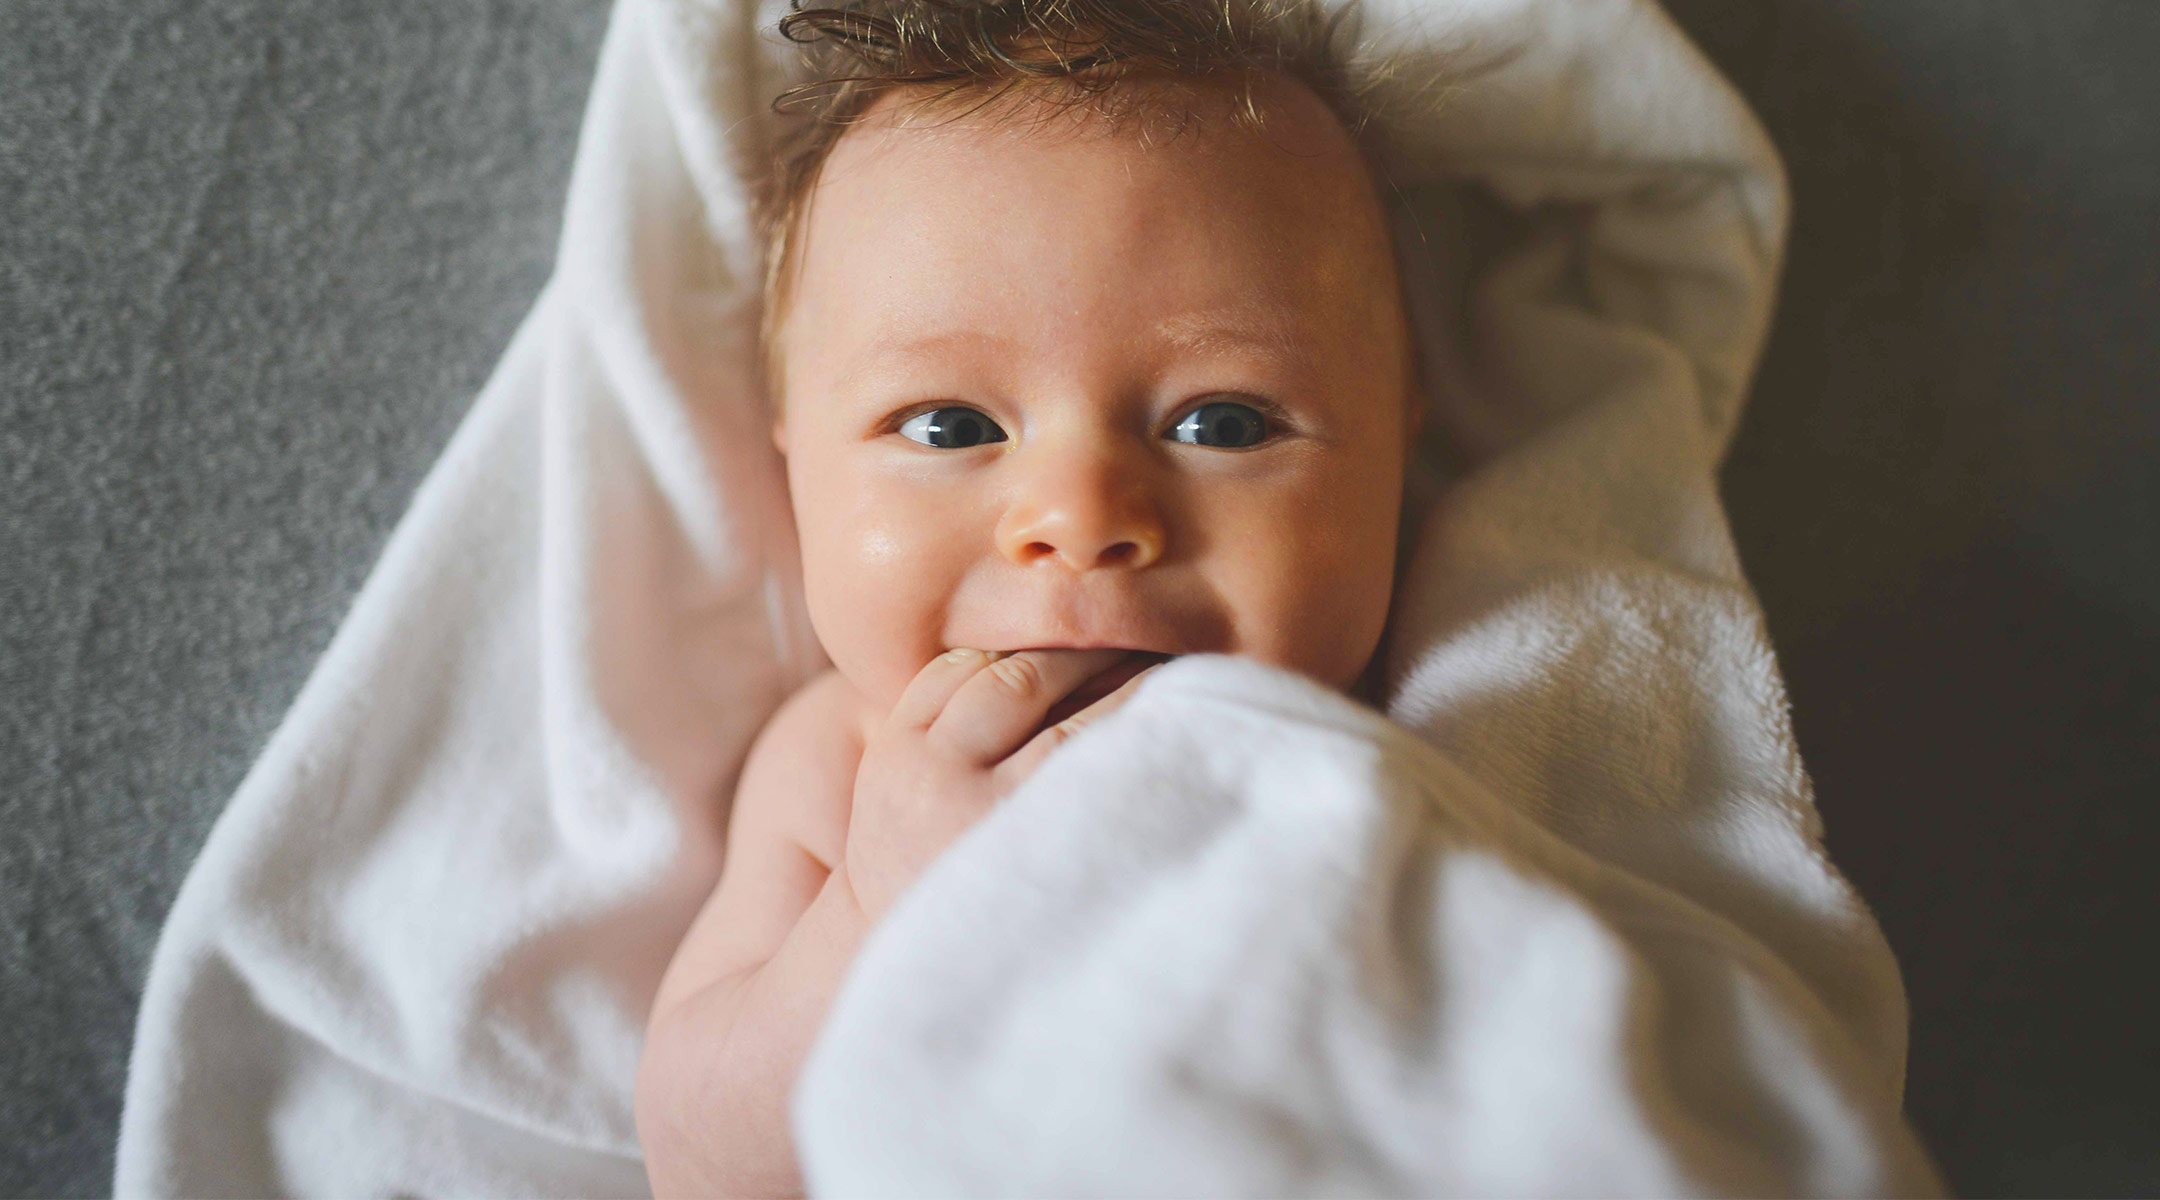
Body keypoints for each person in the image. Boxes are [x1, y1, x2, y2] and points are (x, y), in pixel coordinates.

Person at [634, 0, 1431, 1190]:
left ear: (1401, 445)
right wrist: (875, 905)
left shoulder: (1431, 721)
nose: (1081, 518)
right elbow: (703, 1156)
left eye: (1222, 423)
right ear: (792, 450)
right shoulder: (842, 771)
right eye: (950, 426)